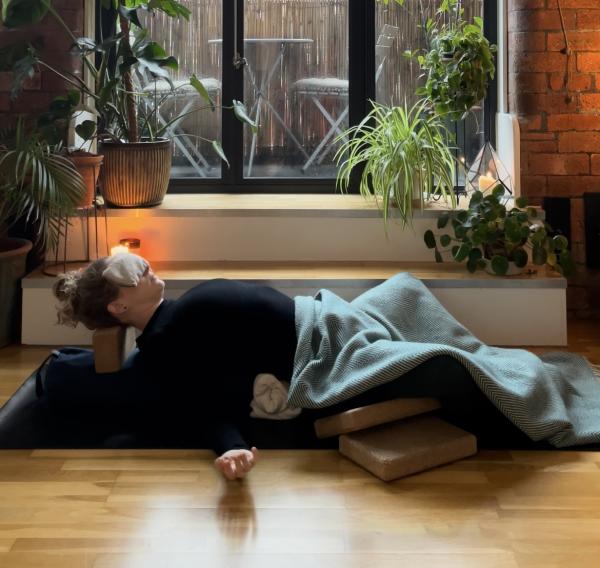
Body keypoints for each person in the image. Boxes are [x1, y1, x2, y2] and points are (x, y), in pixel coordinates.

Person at [51, 254, 567, 480]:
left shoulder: (168, 321)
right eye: (127, 275)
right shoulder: (165, 343)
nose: (141, 268)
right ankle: (521, 405)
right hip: (321, 353)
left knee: (405, 290)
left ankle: (490, 369)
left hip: (328, 316)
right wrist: (231, 447)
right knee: (445, 364)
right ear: (119, 308)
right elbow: (205, 398)